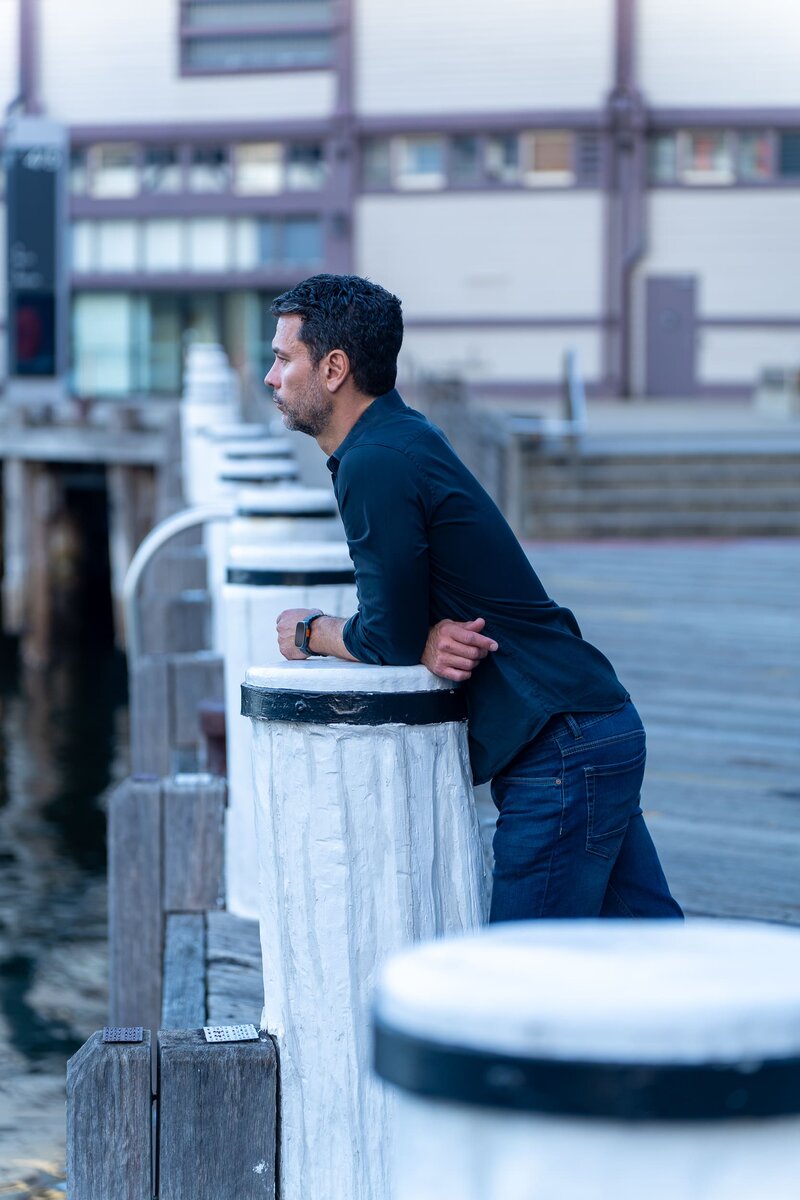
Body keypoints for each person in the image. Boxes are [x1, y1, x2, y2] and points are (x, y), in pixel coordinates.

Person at [266, 273, 682, 922]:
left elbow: (386, 639)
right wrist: (423, 632)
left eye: (284, 357)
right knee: (650, 958)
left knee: (512, 986)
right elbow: (409, 628)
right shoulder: (403, 436)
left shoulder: (375, 460)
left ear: (334, 368)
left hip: (560, 746)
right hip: (592, 727)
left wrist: (307, 630)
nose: (272, 377)